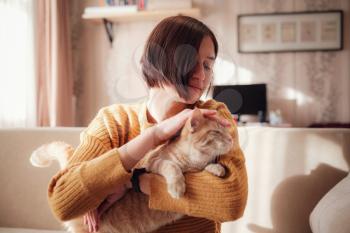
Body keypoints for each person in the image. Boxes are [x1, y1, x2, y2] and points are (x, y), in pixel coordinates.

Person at [47, 15, 248, 233]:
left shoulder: (213, 116)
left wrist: (135, 182)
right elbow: (63, 202)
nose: (201, 75)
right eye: (190, 62)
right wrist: (153, 136)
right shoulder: (114, 121)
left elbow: (231, 202)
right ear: (158, 59)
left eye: (208, 65)